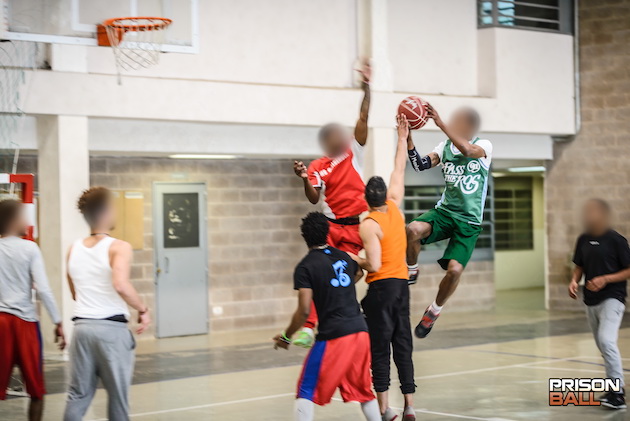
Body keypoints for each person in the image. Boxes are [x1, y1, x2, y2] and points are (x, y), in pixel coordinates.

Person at [292, 61, 371, 348]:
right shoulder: (318, 166)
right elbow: (313, 197)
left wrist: (367, 86)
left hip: (353, 228)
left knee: (352, 272)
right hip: (329, 228)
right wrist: (303, 177)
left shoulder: (355, 152)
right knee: (322, 274)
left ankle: (340, 316)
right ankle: (308, 327)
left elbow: (364, 115)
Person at [272, 212, 380, 421]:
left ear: (304, 236)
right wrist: (339, 289)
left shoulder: (305, 266)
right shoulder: (342, 255)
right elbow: (357, 273)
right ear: (328, 232)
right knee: (364, 390)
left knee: (306, 388)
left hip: (336, 336)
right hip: (360, 332)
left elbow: (304, 310)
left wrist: (286, 337)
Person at [63, 187, 151, 421]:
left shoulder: (73, 249)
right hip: (111, 331)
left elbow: (75, 293)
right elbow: (121, 285)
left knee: (78, 395)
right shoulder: (119, 247)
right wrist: (142, 309)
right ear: (106, 212)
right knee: (118, 398)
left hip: (81, 329)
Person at [405, 103, 492, 338]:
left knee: (454, 270)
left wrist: (441, 123)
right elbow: (419, 164)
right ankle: (411, 269)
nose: (453, 123)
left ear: (469, 125)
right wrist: (408, 138)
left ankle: (434, 310)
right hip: (445, 213)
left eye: (458, 121)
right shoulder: (443, 147)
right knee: (412, 229)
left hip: (468, 222)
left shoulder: (483, 146)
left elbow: (466, 150)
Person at [352, 114, 415, 421]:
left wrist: (355, 259)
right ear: (384, 196)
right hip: (403, 285)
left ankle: (384, 409)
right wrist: (401, 137)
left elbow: (373, 263)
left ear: (366, 199)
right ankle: (410, 406)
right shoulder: (394, 206)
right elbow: (399, 168)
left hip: (382, 289)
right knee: (403, 344)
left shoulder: (369, 223)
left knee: (380, 349)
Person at [0, 199, 66, 421]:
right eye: (22, 216)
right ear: (13, 220)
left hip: (1, 323)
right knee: (36, 390)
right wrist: (58, 322)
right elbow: (44, 290)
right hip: (25, 324)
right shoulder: (30, 248)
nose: (26, 221)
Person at [569, 199, 629, 410]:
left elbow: (629, 269)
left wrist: (606, 279)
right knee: (603, 346)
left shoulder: (616, 240)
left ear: (603, 214)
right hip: (590, 301)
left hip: (613, 298)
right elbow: (579, 265)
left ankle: (618, 394)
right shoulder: (583, 239)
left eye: (592, 211)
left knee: (606, 340)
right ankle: (612, 389)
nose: (588, 215)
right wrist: (574, 280)